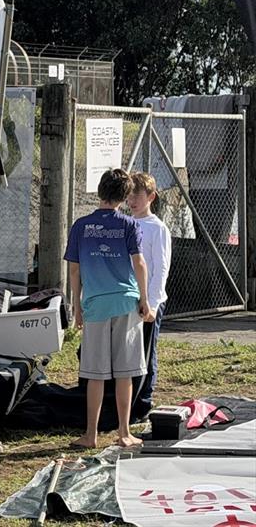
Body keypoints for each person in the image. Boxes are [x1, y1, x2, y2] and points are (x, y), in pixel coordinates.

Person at [64, 168, 155, 449]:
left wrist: (77, 308)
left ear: (99, 191)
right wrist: (144, 299)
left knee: (94, 373)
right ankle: (123, 432)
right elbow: (139, 264)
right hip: (125, 301)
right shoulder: (129, 225)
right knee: (125, 372)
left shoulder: (81, 226)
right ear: (125, 196)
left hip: (95, 304)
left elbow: (75, 270)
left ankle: (90, 434)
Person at [127, 172, 172, 412]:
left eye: (138, 195)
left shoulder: (158, 228)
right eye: (129, 195)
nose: (132, 200)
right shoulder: (127, 223)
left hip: (151, 300)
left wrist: (152, 304)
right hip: (130, 298)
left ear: (151, 197)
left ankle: (144, 402)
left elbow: (161, 267)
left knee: (147, 352)